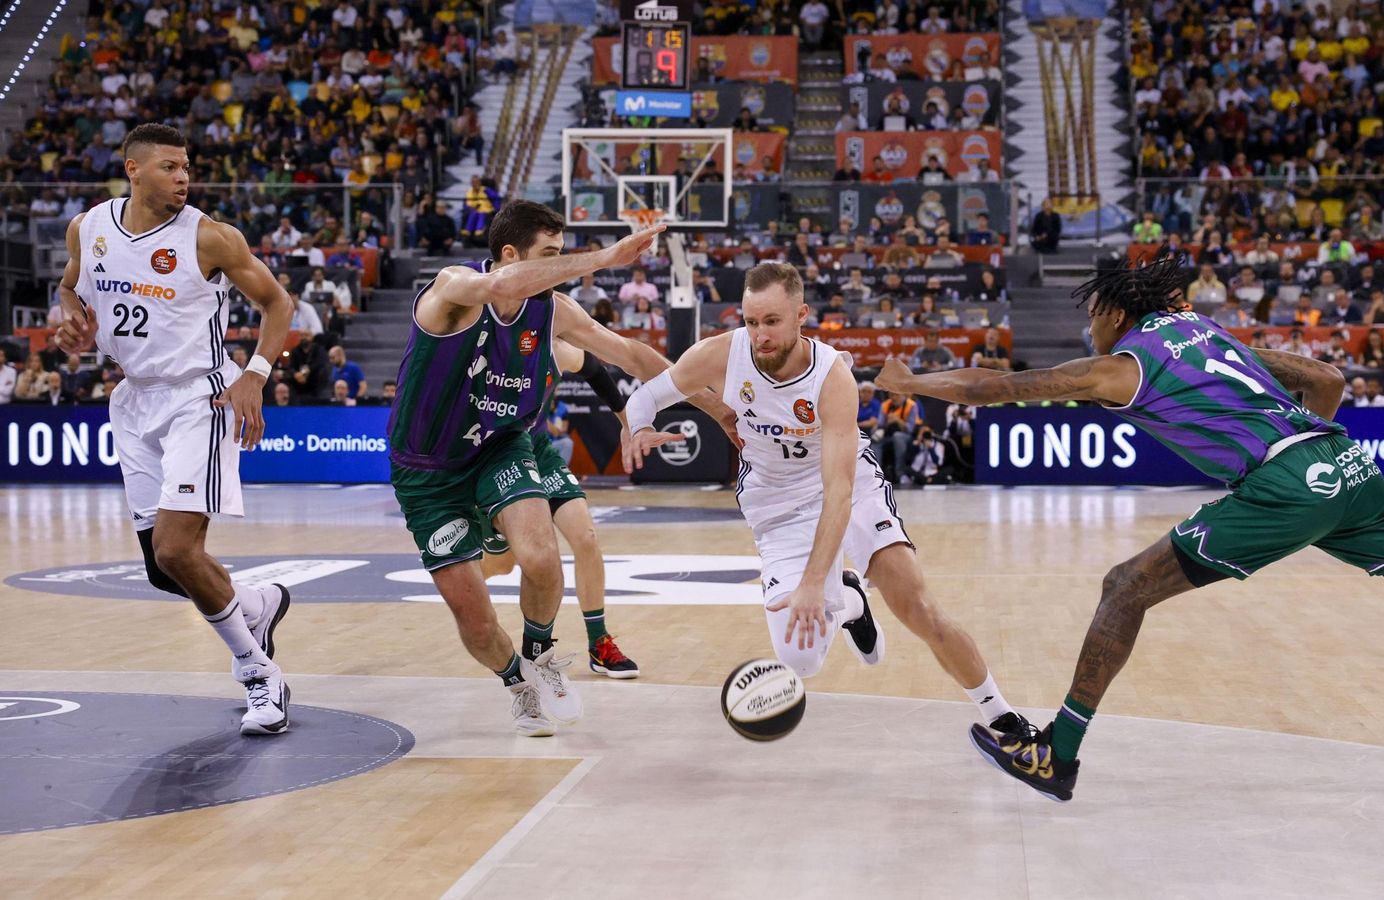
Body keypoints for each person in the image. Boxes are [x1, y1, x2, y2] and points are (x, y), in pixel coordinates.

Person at [880, 256, 1384, 812]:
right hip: (1347, 467)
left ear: (1118, 313)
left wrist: (912, 383)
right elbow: (1325, 377)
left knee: (1123, 589)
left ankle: (1056, 756)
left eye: (1093, 315)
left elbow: (998, 387)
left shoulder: (1120, 365)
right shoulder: (1204, 332)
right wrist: (1315, 471)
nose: (1089, 329)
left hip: (1286, 485)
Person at [621, 261, 1035, 739]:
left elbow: (838, 493)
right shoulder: (720, 354)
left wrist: (816, 583)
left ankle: (1001, 715)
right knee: (801, 658)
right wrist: (641, 425)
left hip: (847, 485)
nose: (760, 335)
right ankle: (851, 602)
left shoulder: (831, 376)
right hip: (775, 498)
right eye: (751, 322)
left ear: (802, 316)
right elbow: (645, 397)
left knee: (915, 604)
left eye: (772, 321)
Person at [386, 201, 730, 737]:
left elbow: (634, 357)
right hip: (426, 470)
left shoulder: (553, 312)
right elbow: (497, 286)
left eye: (562, 254)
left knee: (543, 557)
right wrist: (605, 257)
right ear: (509, 255)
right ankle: (516, 683)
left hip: (499, 446)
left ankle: (540, 655)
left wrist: (720, 412)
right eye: (549, 255)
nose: (560, 266)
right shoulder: (452, 289)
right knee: (475, 620)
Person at [54, 124, 297, 736]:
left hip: (200, 396)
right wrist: (72, 321)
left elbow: (278, 303)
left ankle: (260, 673)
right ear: (133, 170)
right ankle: (258, 604)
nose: (183, 177)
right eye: (169, 167)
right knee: (163, 570)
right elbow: (69, 285)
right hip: (134, 398)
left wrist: (256, 375)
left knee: (175, 549)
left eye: (186, 166)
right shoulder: (88, 227)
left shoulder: (210, 237)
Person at [479, 338, 642, 679]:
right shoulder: (485, 349)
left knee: (586, 537)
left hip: (538, 450)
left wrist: (627, 422)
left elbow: (595, 370)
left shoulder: (555, 350)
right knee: (505, 564)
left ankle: (598, 644)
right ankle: (460, 574)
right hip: (498, 458)